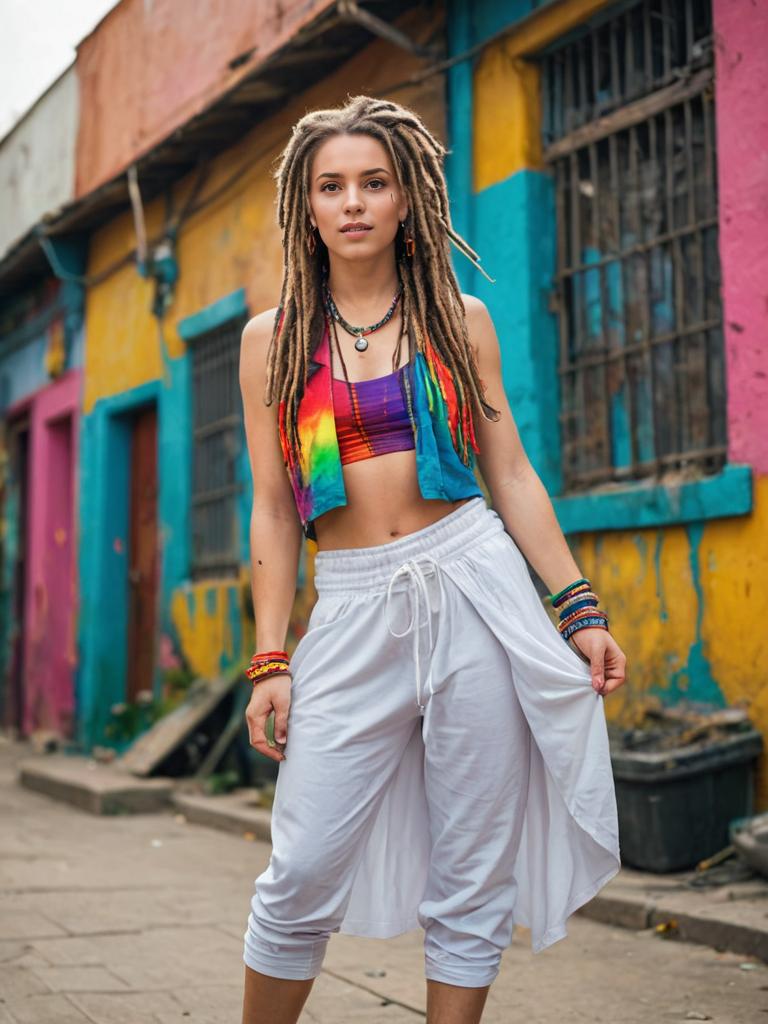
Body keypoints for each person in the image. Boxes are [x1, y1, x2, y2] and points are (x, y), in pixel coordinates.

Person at [238, 95, 626, 1024]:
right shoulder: (272, 343)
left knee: (473, 863)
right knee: (300, 867)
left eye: (374, 182)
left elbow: (513, 474)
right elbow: (272, 509)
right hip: (354, 603)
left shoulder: (463, 321)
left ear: (408, 197)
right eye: (332, 186)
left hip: (473, 584)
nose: (354, 203)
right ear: (307, 206)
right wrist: (270, 657)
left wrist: (578, 608)